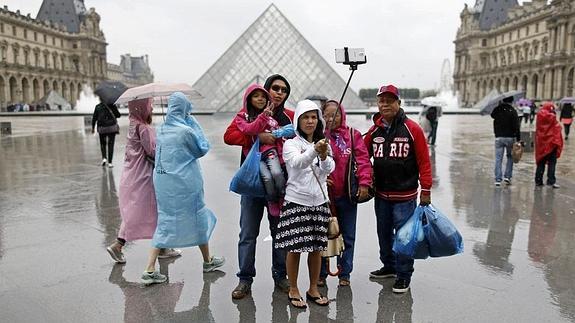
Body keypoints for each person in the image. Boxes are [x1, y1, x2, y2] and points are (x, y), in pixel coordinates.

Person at [142, 92, 224, 285]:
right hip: (185, 182)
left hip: (163, 182)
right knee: (197, 216)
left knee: (165, 220)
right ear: (185, 108)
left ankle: (150, 268)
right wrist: (193, 123)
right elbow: (202, 148)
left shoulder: (162, 128)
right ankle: (207, 261)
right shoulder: (185, 131)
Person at [224, 74, 294, 299]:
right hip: (253, 185)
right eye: (275, 88)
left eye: (284, 90)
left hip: (279, 185)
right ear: (266, 90)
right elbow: (229, 136)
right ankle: (245, 279)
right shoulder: (247, 115)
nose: (279, 92)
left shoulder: (290, 117)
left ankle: (280, 275)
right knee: (247, 234)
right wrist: (257, 137)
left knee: (280, 233)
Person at [364, 84, 432, 294]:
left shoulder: (413, 129)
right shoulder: (374, 131)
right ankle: (389, 266)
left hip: (406, 196)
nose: (385, 105)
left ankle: (404, 275)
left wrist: (426, 190)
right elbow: (362, 156)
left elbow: (424, 161)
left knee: (404, 237)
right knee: (383, 234)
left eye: (389, 101)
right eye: (381, 101)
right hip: (382, 196)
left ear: (398, 103)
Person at [105, 98, 181, 264]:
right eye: (149, 106)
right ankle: (121, 244)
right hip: (145, 175)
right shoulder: (144, 128)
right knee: (157, 208)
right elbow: (152, 151)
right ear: (142, 108)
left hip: (132, 174)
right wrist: (164, 141)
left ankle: (157, 246)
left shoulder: (133, 125)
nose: (151, 109)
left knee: (136, 210)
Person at [275, 99, 334, 308]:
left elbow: (329, 169)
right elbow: (297, 163)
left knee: (317, 249)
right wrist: (315, 150)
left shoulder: (323, 142)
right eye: (305, 117)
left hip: (319, 201)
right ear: (297, 120)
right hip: (296, 201)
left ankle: (313, 288)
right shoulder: (290, 144)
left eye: (313, 117)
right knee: (295, 248)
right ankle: (293, 288)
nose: (310, 121)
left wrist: (325, 154)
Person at [318, 100, 372, 287]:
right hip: (323, 197)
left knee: (348, 235)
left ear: (342, 115)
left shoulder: (353, 135)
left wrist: (364, 184)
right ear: (322, 116)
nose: (331, 118)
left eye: (336, 114)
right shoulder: (318, 137)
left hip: (348, 195)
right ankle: (321, 273)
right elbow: (308, 163)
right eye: (327, 115)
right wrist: (320, 177)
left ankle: (344, 273)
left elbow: (364, 161)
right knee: (323, 235)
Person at [233, 84, 289, 212]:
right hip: (255, 158)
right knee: (267, 177)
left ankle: (283, 197)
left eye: (263, 96)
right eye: (256, 96)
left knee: (276, 173)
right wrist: (257, 137)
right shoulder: (242, 117)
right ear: (249, 99)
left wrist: (282, 132)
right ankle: (273, 201)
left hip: (270, 151)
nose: (260, 99)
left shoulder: (273, 116)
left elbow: (278, 130)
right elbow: (241, 132)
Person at [490, 96, 521, 186]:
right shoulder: (513, 111)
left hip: (499, 137)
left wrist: (499, 106)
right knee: (510, 157)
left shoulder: (498, 110)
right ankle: (507, 176)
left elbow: (492, 115)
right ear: (511, 101)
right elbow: (516, 126)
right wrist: (519, 139)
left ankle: (498, 179)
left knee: (498, 159)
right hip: (510, 137)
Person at [535, 102, 564, 188]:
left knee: (541, 163)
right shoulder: (552, 117)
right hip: (552, 144)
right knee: (552, 163)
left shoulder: (539, 115)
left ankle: (538, 181)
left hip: (541, 144)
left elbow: (539, 129)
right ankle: (551, 181)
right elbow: (557, 129)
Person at [92, 100, 121, 168]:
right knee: (110, 145)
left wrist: (93, 128)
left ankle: (104, 158)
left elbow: (94, 118)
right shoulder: (112, 105)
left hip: (102, 128)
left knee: (103, 143)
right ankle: (110, 162)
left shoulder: (98, 106)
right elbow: (118, 115)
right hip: (111, 128)